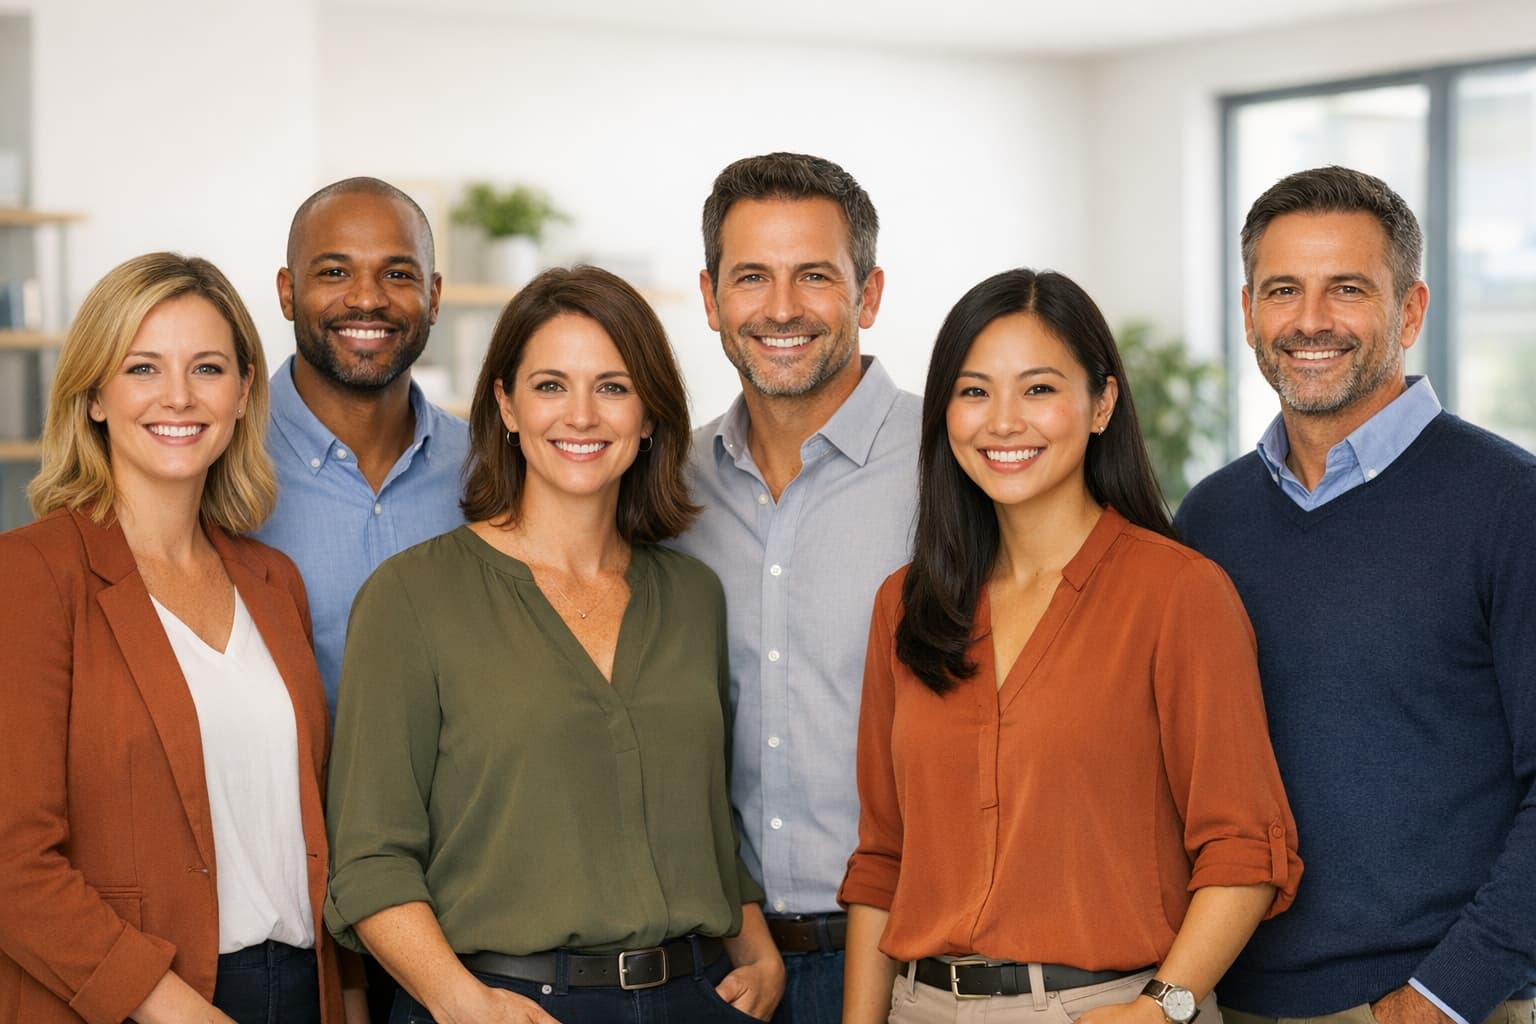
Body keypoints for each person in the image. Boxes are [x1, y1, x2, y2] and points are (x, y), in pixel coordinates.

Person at [324, 265, 785, 1024]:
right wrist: (462, 1002)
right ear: (505, 405)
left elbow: (704, 819)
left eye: (611, 386)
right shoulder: (412, 598)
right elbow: (371, 859)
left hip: (696, 995)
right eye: (549, 386)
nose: (581, 415)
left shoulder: (693, 598)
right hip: (503, 1006)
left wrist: (757, 949)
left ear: (648, 416)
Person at [840, 268, 1303, 1024]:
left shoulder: (1178, 594)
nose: (1003, 421)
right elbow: (883, 859)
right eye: (974, 390)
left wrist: (1164, 1009)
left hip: (1109, 1008)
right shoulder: (906, 604)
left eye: (1040, 389)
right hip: (918, 1004)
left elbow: (1244, 849)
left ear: (1102, 405)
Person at [1176, 166, 1536, 1024]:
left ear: (1410, 311)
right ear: (1248, 310)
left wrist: (1441, 997)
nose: (1309, 322)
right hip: (1235, 998)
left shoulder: (1511, 504)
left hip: (1441, 1003)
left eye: (1347, 290)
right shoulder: (1209, 517)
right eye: (1283, 291)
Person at [0, 253, 361, 1024]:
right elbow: (11, 862)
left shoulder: (274, 582)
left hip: (302, 991)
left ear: (242, 394)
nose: (177, 396)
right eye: (142, 368)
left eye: (207, 367)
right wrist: (174, 1009)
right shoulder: (30, 575)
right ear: (94, 395)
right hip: (133, 1002)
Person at [667, 152, 920, 1023]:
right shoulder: (666, 487)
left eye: (814, 275)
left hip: (921, 959)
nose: (781, 309)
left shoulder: (958, 463)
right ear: (710, 299)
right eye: (751, 278)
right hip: (724, 966)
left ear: (869, 293)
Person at [254, 176, 469, 715]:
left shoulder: (492, 466)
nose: (368, 299)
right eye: (334, 272)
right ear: (287, 292)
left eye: (397, 274)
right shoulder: (220, 464)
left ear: (434, 296)